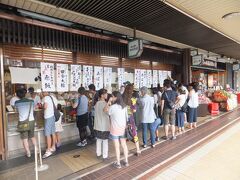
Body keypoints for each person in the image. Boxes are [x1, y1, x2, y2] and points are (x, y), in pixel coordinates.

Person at [104, 91, 129, 169]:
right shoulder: (124, 106)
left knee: (117, 147)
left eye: (112, 96)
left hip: (115, 129)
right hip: (122, 128)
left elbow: (104, 110)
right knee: (124, 145)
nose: (112, 98)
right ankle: (126, 161)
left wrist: (108, 101)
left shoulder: (112, 107)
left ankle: (118, 163)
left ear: (115, 97)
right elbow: (127, 117)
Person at [15, 88, 37, 158]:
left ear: (17, 95)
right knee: (32, 136)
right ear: (25, 94)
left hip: (22, 122)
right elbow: (34, 109)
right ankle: (37, 150)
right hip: (31, 121)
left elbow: (16, 111)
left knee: (25, 139)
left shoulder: (17, 102)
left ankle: (28, 153)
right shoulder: (31, 101)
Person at [122, 84, 141, 156]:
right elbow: (134, 110)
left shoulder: (121, 98)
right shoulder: (132, 99)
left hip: (123, 119)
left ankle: (125, 150)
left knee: (124, 134)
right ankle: (138, 150)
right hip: (130, 118)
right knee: (134, 133)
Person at [94, 89, 110, 160]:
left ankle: (98, 153)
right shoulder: (105, 104)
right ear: (102, 95)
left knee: (99, 140)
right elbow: (108, 113)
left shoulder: (97, 103)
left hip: (97, 126)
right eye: (105, 94)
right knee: (105, 141)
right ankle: (105, 156)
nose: (107, 95)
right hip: (104, 126)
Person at [42, 91, 58, 158]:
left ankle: (48, 150)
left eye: (43, 91)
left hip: (48, 117)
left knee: (47, 134)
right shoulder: (53, 97)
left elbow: (45, 107)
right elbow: (56, 107)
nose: (42, 93)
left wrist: (42, 106)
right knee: (53, 132)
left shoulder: (46, 98)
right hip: (53, 116)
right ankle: (53, 147)